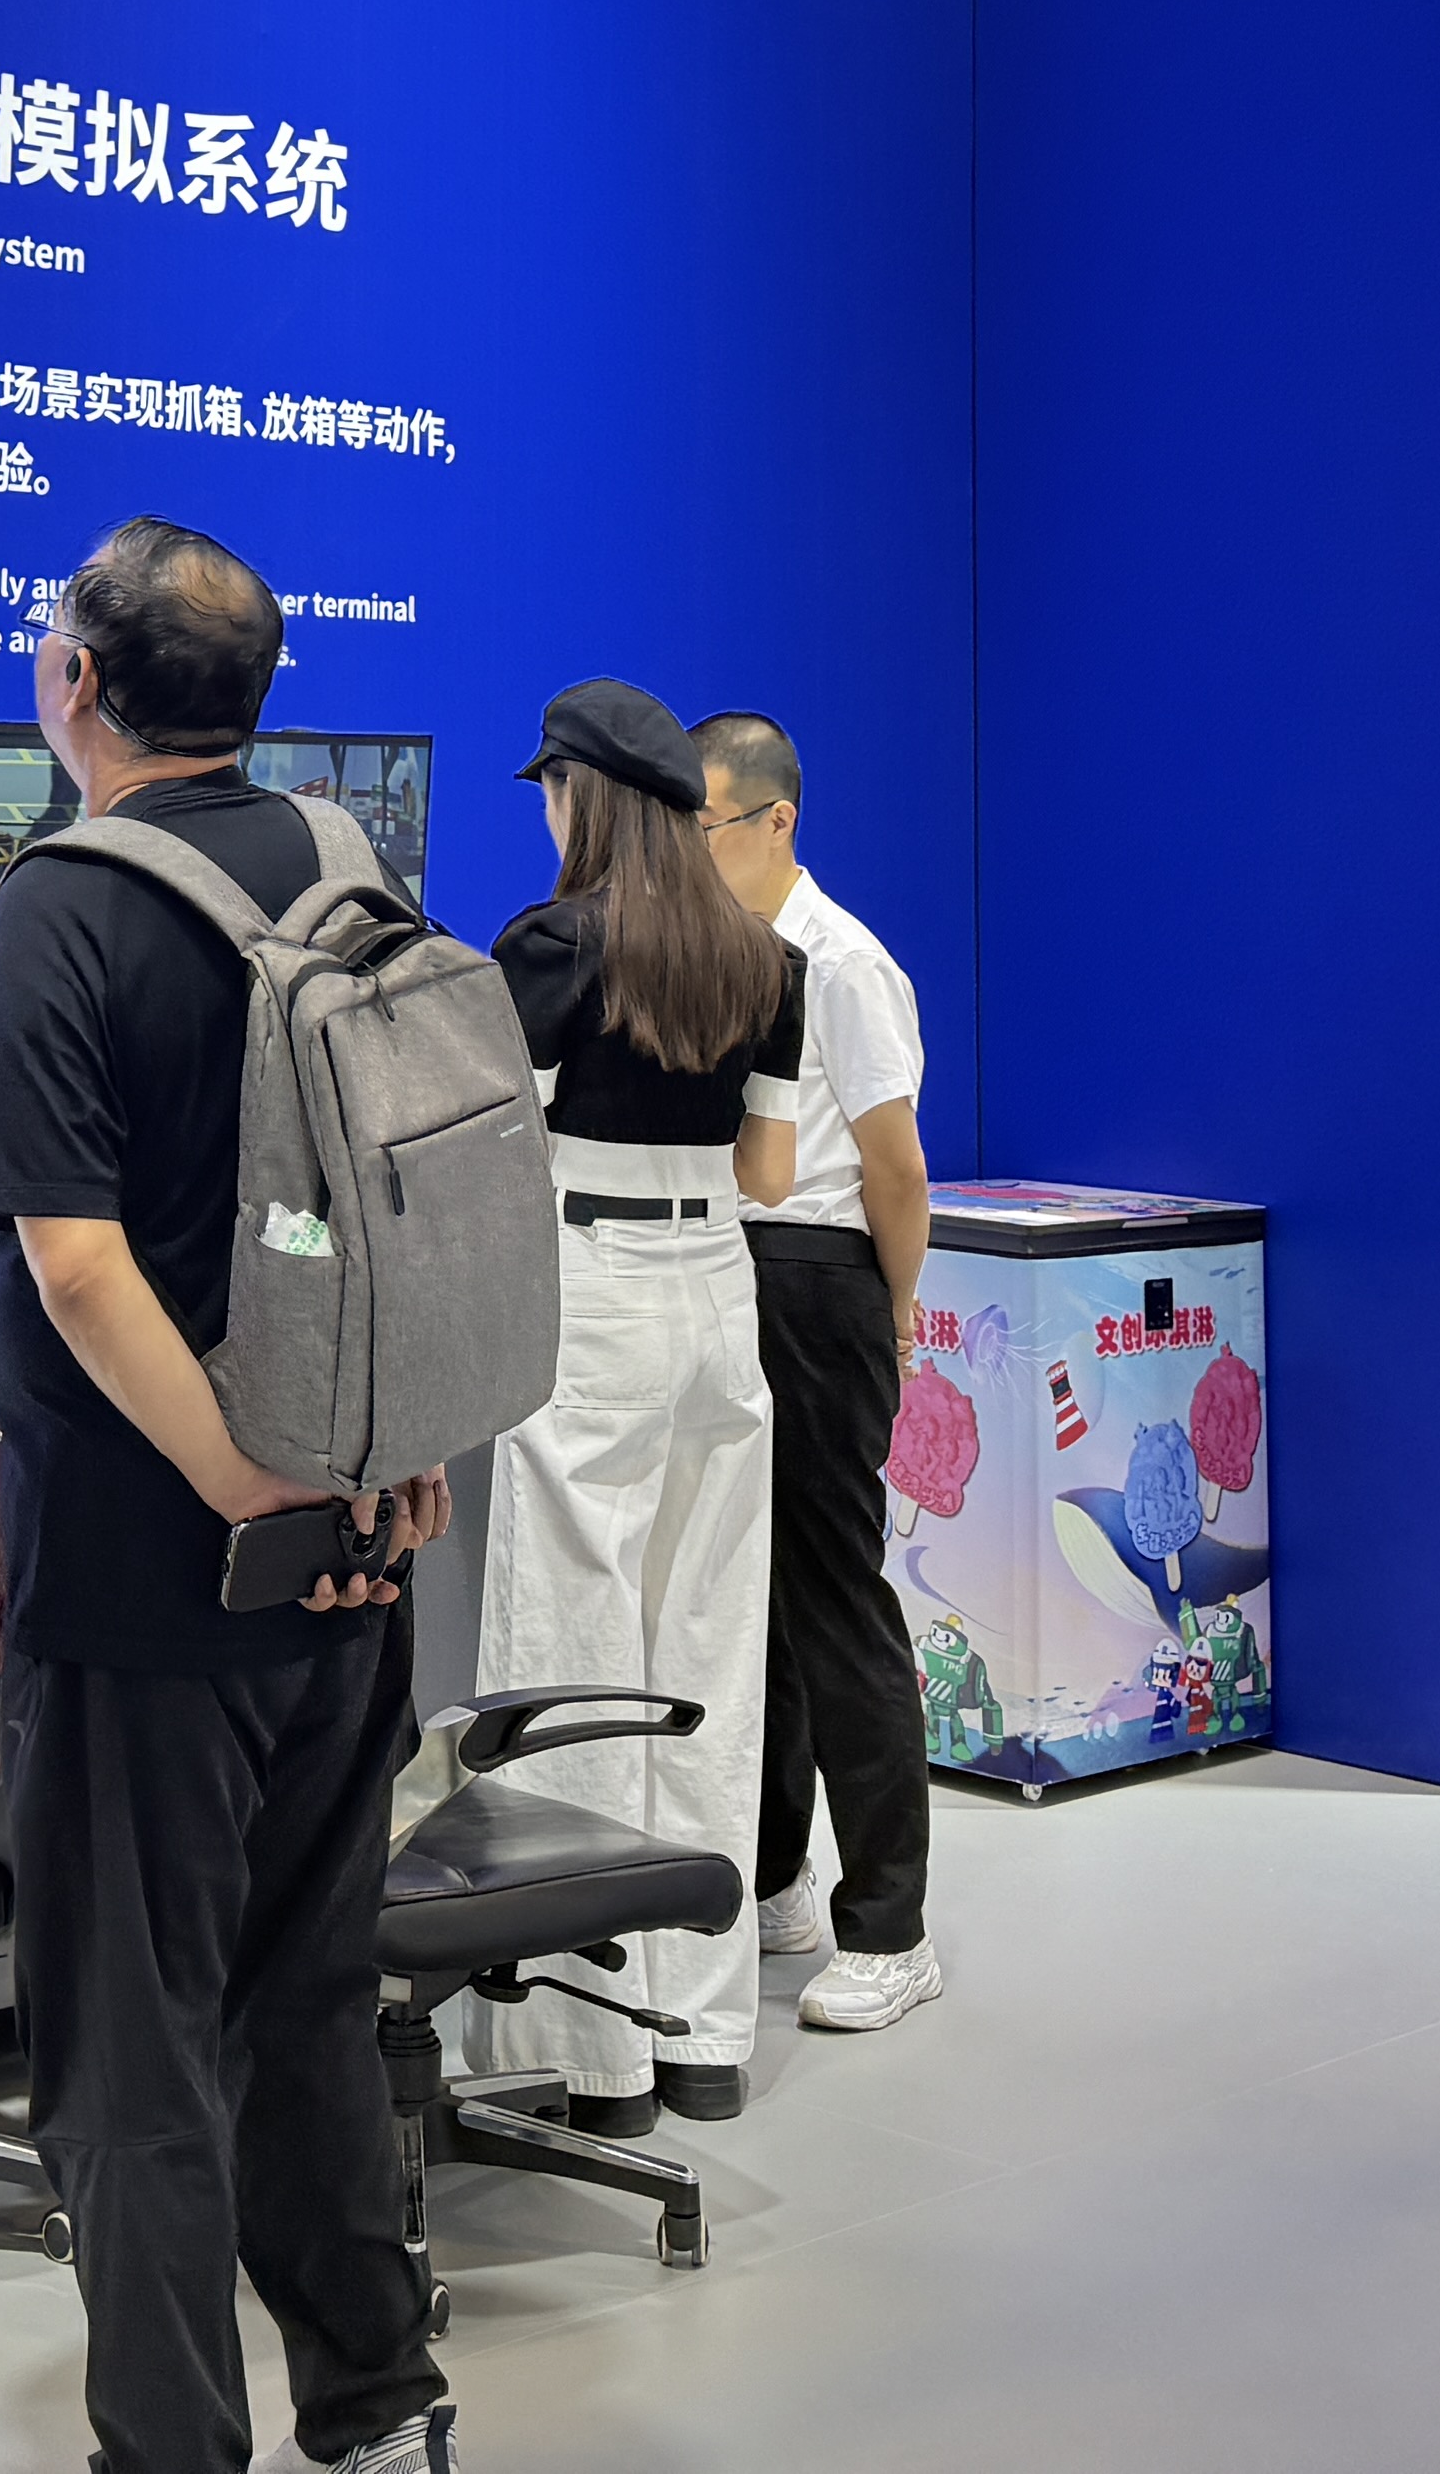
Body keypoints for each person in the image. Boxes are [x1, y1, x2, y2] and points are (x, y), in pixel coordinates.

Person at [0, 516, 457, 2474]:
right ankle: (379, 2407)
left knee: (133, 2053)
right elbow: (422, 1209)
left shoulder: (63, 903)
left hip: (147, 1571)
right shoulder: (353, 869)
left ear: (78, 685)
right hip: (360, 1546)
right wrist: (379, 1453)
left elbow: (77, 1266)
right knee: (307, 2003)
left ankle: (171, 2450)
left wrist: (236, 1482)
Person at [467, 676, 806, 2134]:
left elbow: (487, 1149)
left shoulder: (550, 947)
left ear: (579, 795)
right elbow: (769, 1171)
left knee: (573, 1652)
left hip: (588, 1288)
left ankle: (588, 2055)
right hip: (718, 1293)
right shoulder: (768, 961)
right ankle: (705, 2034)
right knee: (711, 1649)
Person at [693, 706, 943, 2038]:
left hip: (822, 1279)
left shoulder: (843, 963)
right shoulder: (717, 952)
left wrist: (891, 1309)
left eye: (705, 824)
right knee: (756, 1597)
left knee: (836, 1598)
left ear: (775, 819)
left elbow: (896, 1167)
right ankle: (778, 1875)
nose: (688, 849)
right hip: (726, 1273)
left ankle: (892, 1928)